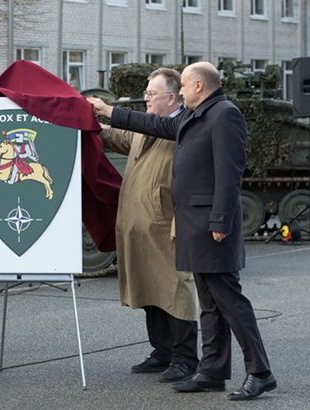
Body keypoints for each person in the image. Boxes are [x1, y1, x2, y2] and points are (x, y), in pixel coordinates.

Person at [88, 61, 277, 401]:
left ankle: (261, 372)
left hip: (210, 226)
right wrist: (108, 112)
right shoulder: (195, 116)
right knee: (209, 304)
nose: (182, 93)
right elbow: (153, 124)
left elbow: (230, 174)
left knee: (230, 302)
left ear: (199, 87)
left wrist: (220, 221)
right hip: (194, 225)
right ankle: (212, 371)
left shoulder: (224, 115)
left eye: (185, 87)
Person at [99, 68, 198, 383]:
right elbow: (118, 136)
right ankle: (162, 351)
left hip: (165, 223)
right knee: (150, 287)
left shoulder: (184, 126)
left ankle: (185, 358)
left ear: (171, 98)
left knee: (175, 289)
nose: (146, 97)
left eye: (151, 94)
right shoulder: (147, 125)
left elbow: (194, 181)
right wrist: (86, 122)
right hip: (141, 224)